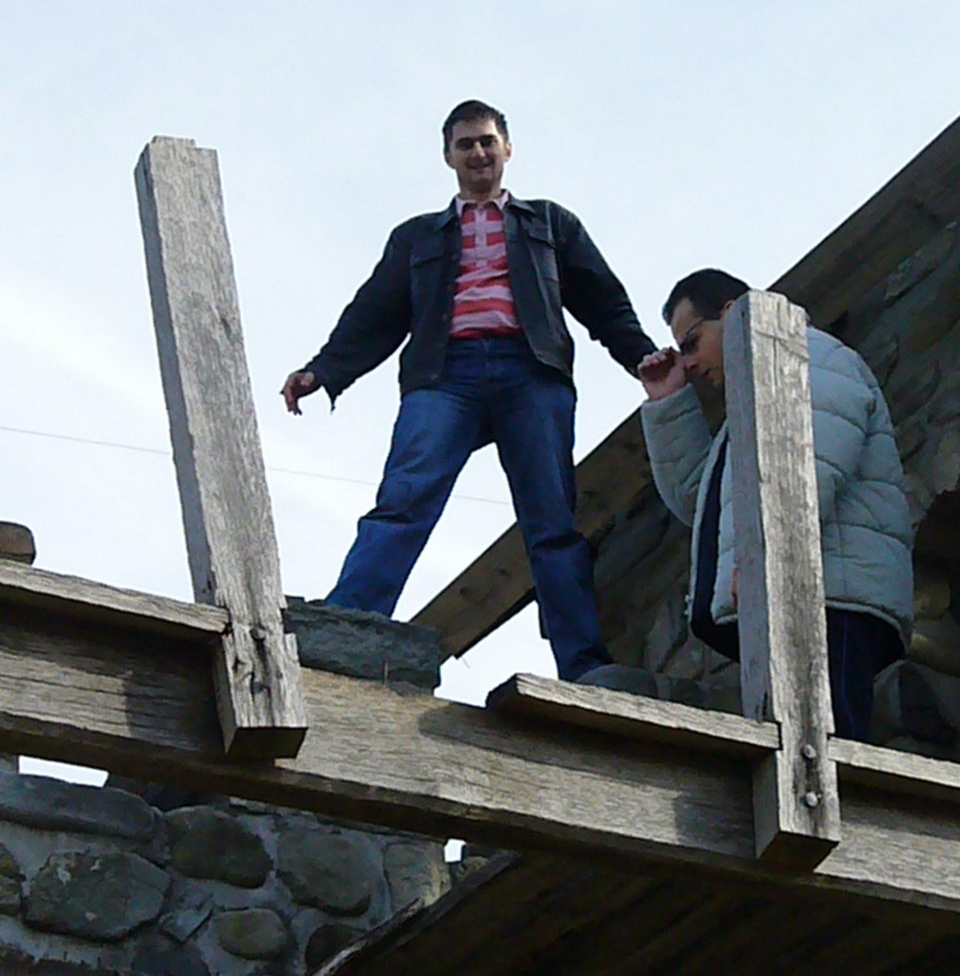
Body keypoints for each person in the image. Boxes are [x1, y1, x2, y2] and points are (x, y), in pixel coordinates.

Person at [282, 99, 656, 681]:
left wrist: (640, 356)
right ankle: (350, 620)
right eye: (465, 144)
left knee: (552, 522)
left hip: (530, 370)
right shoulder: (418, 236)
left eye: (486, 141)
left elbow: (602, 299)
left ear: (507, 148)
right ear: (448, 157)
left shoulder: (549, 224)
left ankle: (583, 665)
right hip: (444, 374)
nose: (478, 152)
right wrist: (324, 370)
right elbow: (375, 312)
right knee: (404, 498)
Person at [636, 268, 912, 741]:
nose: (691, 362)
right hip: (806, 596)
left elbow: (811, 465)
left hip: (832, 599)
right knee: (812, 744)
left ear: (732, 313)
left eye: (693, 343)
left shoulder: (811, 357)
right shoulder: (757, 397)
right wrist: (669, 402)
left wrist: (764, 556)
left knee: (829, 747)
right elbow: (707, 505)